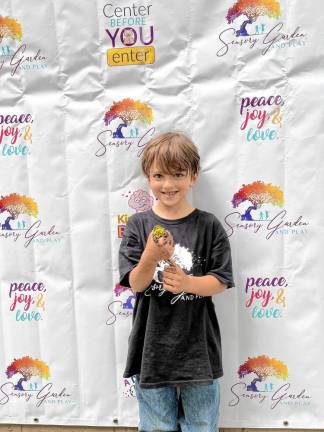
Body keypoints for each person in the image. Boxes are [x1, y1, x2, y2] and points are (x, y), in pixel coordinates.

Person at [119, 132, 234, 432]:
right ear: (148, 177)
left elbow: (221, 280)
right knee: (157, 426)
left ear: (193, 176)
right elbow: (136, 283)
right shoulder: (138, 225)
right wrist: (150, 255)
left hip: (199, 351)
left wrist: (187, 283)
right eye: (159, 175)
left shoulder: (209, 225)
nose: (168, 185)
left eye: (178, 175)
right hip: (150, 350)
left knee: (202, 425)